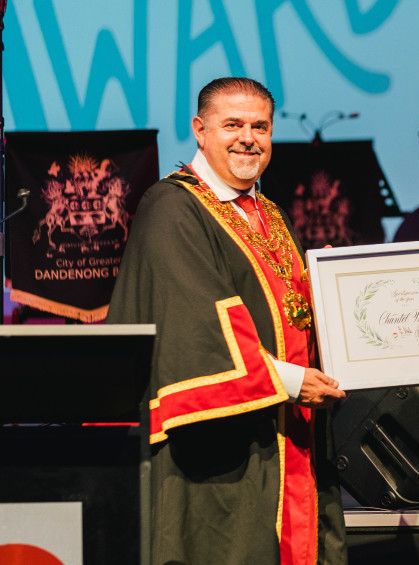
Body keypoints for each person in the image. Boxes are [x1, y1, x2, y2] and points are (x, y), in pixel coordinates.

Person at [107, 77, 347, 565]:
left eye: (260, 126)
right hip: (217, 449)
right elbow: (198, 324)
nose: (248, 138)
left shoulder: (269, 214)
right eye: (232, 124)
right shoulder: (172, 207)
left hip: (284, 437)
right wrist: (293, 381)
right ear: (200, 130)